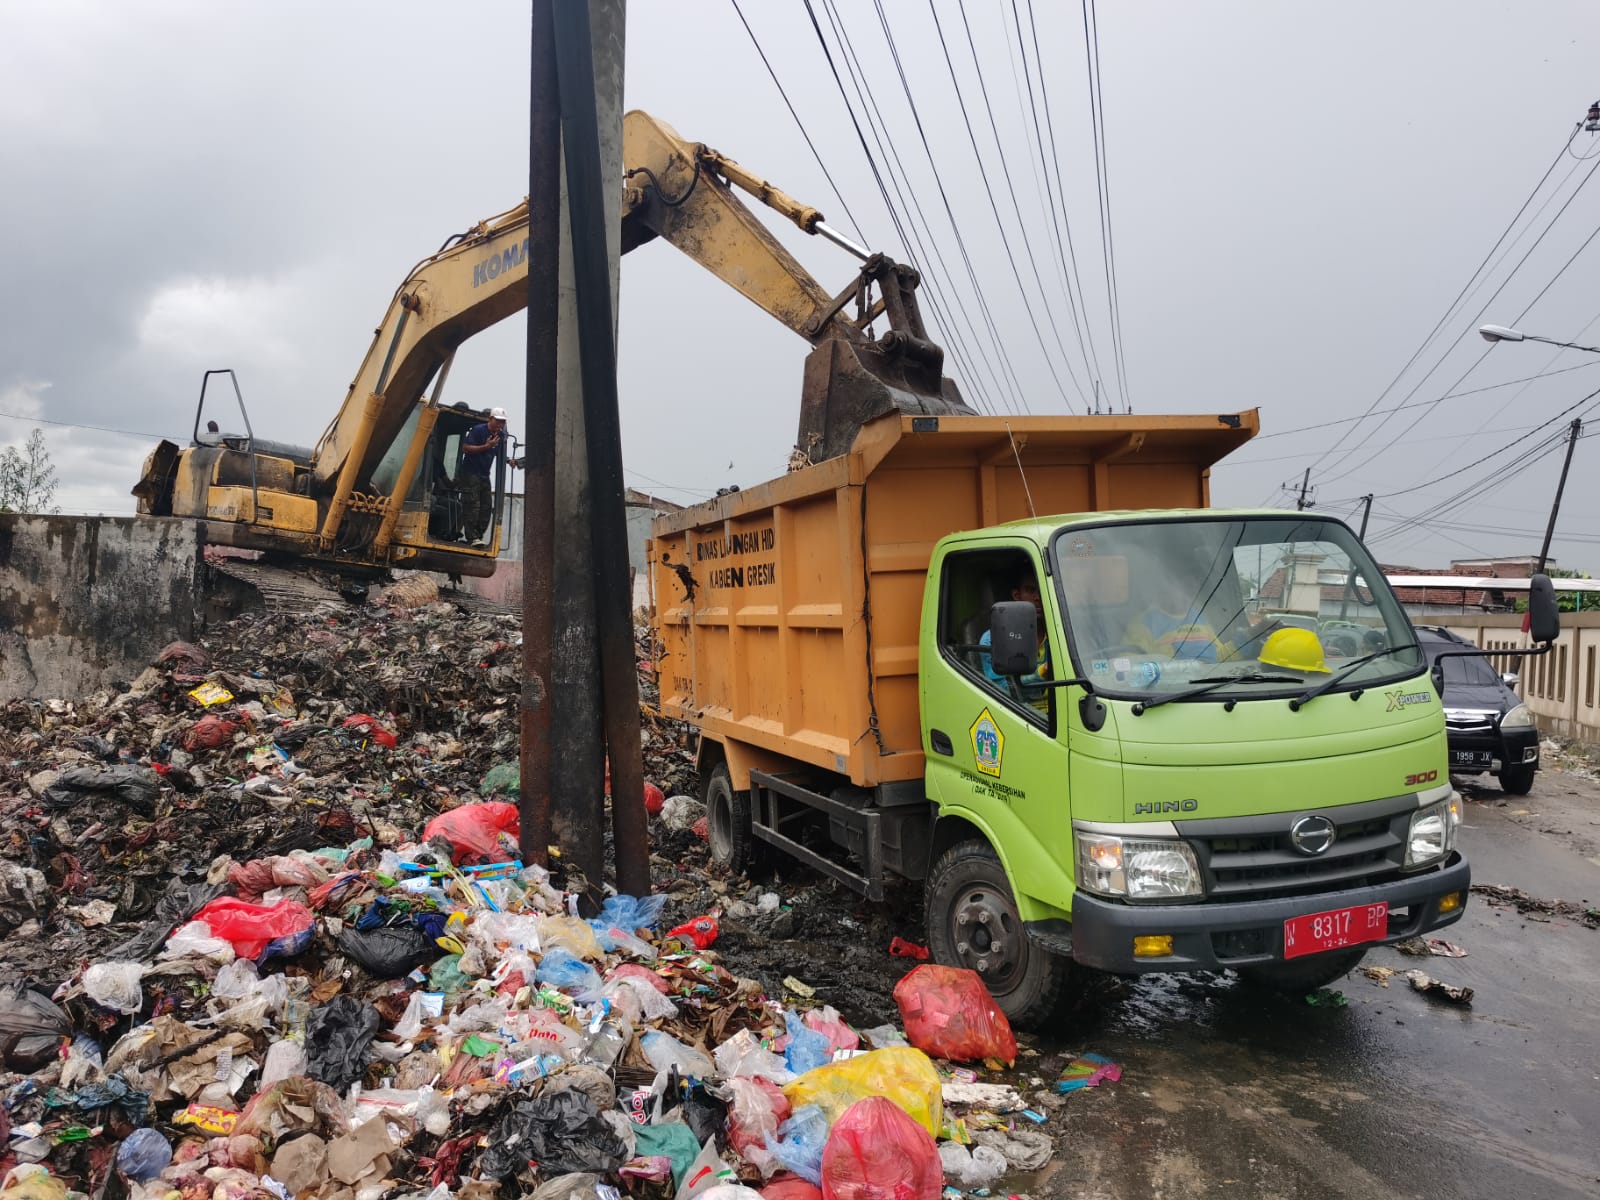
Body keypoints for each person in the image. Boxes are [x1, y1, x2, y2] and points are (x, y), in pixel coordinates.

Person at [978, 569, 1053, 710]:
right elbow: (1003, 692)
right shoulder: (991, 640)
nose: (1038, 597)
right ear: (1016, 595)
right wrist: (1042, 672)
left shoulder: (1058, 633)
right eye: (1031, 590)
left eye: (1042, 590)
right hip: (1023, 716)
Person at [1122, 574, 1229, 663]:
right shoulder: (1143, 624)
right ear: (1165, 588)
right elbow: (1129, 666)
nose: (1190, 593)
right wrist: (1171, 668)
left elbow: (1219, 658)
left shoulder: (1199, 617)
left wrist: (1239, 647)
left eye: (1193, 588)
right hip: (1170, 688)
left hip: (1211, 684)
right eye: (1184, 587)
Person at [459, 406, 523, 546]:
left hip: (484, 474)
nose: (500, 424)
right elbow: (466, 448)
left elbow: (498, 452)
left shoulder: (500, 436)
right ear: (490, 419)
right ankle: (471, 537)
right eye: (498, 421)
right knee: (472, 504)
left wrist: (509, 461)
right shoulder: (478, 430)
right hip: (471, 473)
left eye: (503, 422)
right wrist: (486, 446)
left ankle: (478, 535)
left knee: (487, 506)